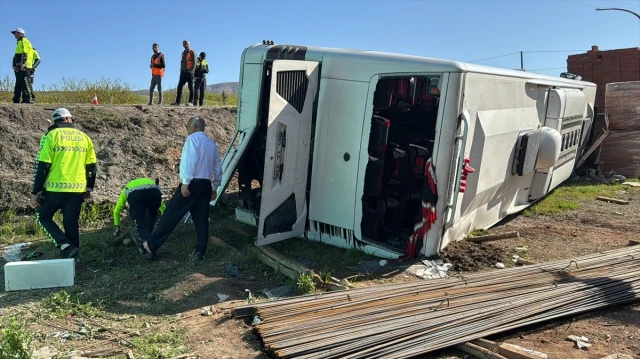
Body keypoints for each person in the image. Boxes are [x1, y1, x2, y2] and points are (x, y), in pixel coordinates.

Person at [141, 116, 222, 260]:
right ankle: (199, 251)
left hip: (192, 184)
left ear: (195, 126)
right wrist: (214, 187)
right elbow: (217, 167)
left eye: (188, 126)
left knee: (171, 213)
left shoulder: (192, 140)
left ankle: (152, 245)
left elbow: (189, 161)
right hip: (205, 185)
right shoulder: (211, 144)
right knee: (201, 218)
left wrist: (186, 181)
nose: (186, 129)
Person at [32, 108, 97, 258]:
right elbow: (92, 166)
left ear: (55, 121)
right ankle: (73, 260)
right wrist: (89, 187)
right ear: (69, 119)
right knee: (71, 222)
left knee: (43, 216)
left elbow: (42, 165)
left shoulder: (50, 135)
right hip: (77, 189)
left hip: (55, 188)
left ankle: (65, 245)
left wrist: (36, 191)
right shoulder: (84, 137)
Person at [113, 178, 167, 253]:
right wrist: (166, 221)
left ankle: (148, 247)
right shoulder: (149, 182)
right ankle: (148, 236)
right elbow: (162, 206)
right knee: (153, 212)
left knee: (141, 222)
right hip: (154, 192)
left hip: (135, 195)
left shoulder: (127, 188)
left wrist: (117, 227)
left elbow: (117, 210)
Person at [10, 28, 35, 104]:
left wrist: (23, 64)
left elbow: (25, 53)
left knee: (26, 82)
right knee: (20, 83)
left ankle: (30, 99)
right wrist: (14, 65)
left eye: (16, 33)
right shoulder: (19, 42)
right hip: (19, 66)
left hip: (25, 66)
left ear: (21, 34)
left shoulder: (24, 41)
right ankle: (22, 99)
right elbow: (16, 56)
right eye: (14, 33)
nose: (15, 35)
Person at [172, 40, 196, 106]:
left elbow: (194, 62)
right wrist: (181, 70)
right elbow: (182, 62)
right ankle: (177, 102)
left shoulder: (192, 52)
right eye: (184, 44)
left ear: (189, 44)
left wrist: (190, 70)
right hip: (183, 72)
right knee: (179, 86)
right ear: (183, 45)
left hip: (189, 72)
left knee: (190, 87)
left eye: (187, 44)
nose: (186, 45)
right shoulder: (183, 53)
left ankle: (191, 102)